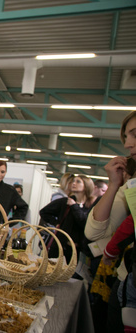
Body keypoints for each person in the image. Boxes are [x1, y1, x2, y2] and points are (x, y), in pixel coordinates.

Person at [84, 111, 136, 333]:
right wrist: (114, 185)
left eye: (134, 134)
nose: (127, 144)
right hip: (125, 280)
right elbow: (93, 233)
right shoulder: (128, 188)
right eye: (126, 136)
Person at [39, 175, 97, 262]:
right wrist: (57, 223)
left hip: (78, 251)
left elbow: (84, 222)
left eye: (78, 181)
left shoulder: (91, 205)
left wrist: (74, 206)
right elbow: (44, 212)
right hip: (59, 248)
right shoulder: (65, 202)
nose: (74, 183)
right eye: (73, 181)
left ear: (86, 185)